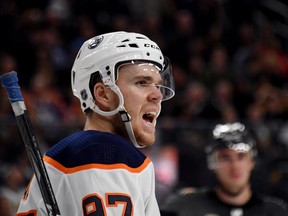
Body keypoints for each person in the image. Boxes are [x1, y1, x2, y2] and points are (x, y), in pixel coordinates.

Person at [16, 31, 175, 215]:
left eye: (157, 85)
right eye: (141, 82)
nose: (158, 95)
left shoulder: (59, 158)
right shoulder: (110, 155)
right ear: (103, 94)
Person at [160, 122, 288, 216]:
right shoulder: (184, 207)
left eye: (241, 156)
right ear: (212, 163)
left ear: (252, 161)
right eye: (225, 158)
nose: (234, 166)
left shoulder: (275, 212)